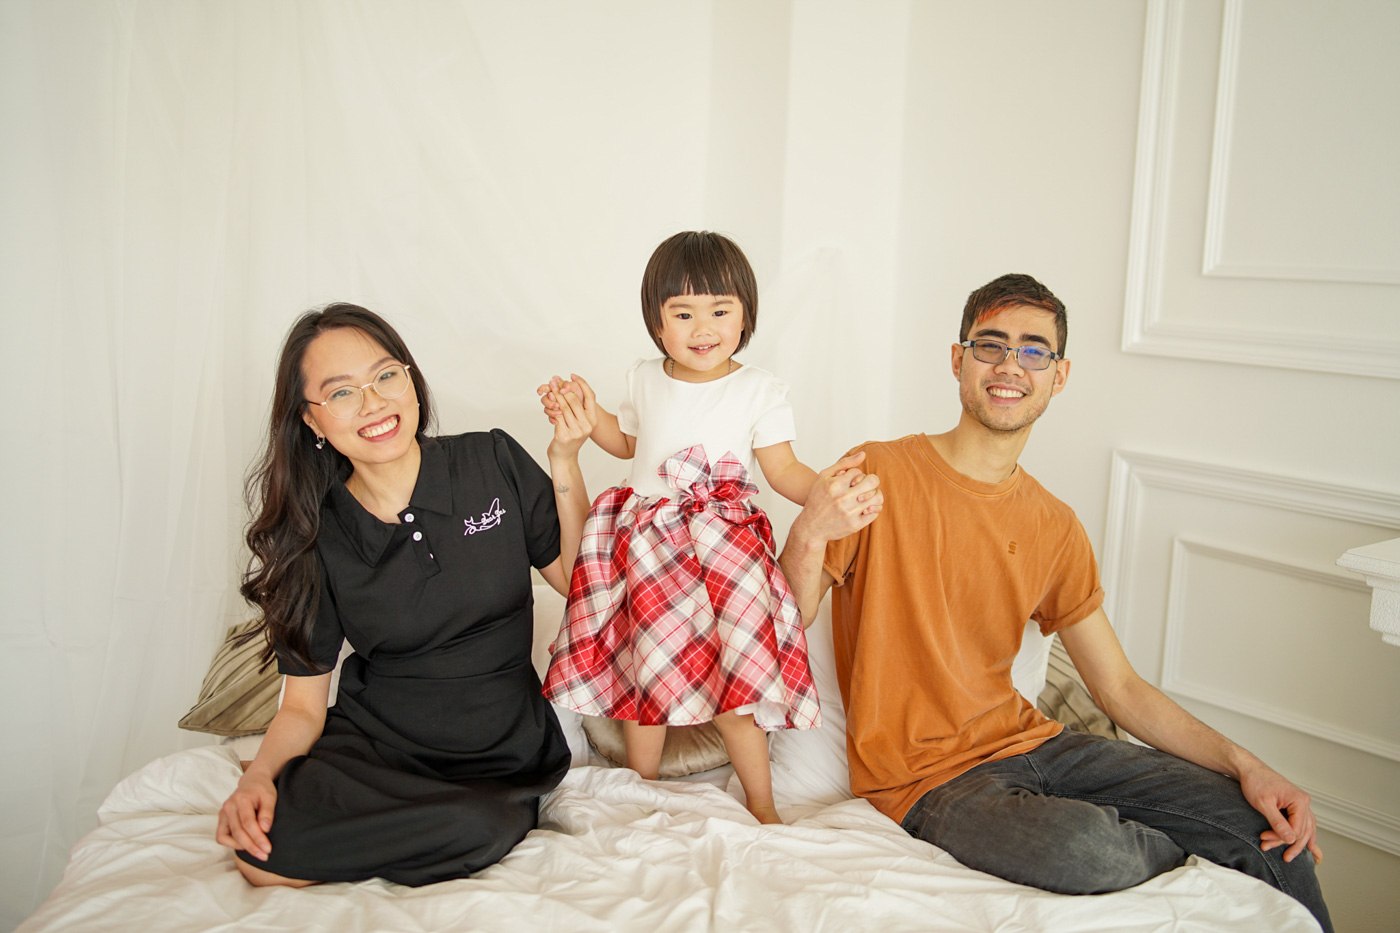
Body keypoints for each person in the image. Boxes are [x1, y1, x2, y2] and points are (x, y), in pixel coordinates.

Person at [775, 274, 1332, 930]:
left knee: (1258, 820)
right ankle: (1199, 867)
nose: (1010, 365)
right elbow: (785, 626)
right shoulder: (878, 472)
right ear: (958, 360)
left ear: (1058, 375)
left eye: (1034, 350)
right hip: (929, 779)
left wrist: (1249, 765)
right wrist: (809, 531)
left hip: (1040, 744)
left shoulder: (1055, 523)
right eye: (991, 345)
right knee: (1091, 850)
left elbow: (1119, 687)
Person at [215, 303, 594, 887]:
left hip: (498, 756)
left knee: (479, 825)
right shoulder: (315, 534)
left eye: (386, 376)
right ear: (312, 421)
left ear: (411, 380)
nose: (373, 403)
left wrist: (565, 460)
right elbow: (302, 706)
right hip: (375, 747)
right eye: (342, 392)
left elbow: (579, 583)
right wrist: (259, 777)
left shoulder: (491, 460)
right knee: (258, 854)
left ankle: (419, 830)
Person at [536, 231, 823, 824]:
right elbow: (627, 444)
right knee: (649, 674)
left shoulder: (759, 389)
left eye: (720, 310)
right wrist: (587, 415)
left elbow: (785, 471)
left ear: (745, 314)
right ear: (657, 323)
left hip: (723, 551)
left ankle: (763, 804)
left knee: (736, 684)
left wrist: (830, 493)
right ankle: (639, 790)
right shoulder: (645, 377)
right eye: (683, 313)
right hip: (649, 549)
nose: (703, 328)